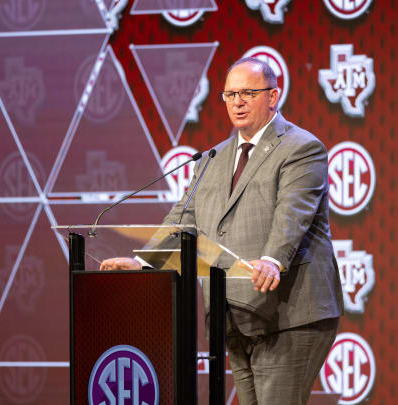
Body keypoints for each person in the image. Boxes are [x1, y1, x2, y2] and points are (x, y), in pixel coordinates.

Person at [100, 57, 344, 405]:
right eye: (230, 94)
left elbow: (292, 214)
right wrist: (144, 263)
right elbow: (180, 220)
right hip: (233, 314)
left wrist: (273, 259)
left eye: (248, 92)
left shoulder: (300, 148)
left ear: (273, 96)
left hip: (288, 313)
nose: (238, 102)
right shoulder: (212, 159)